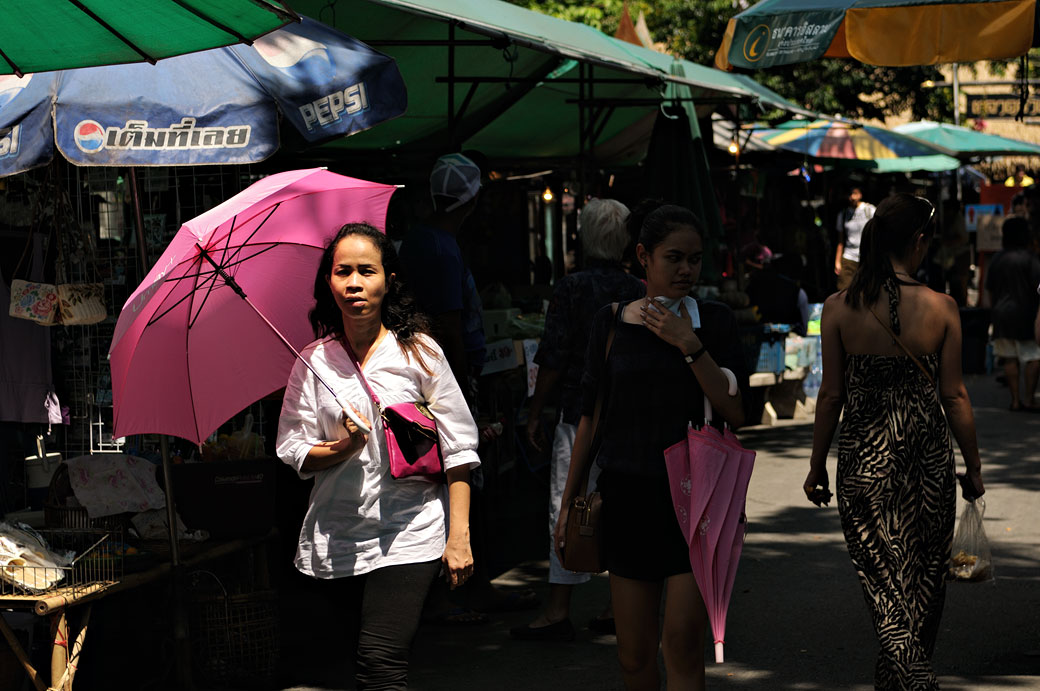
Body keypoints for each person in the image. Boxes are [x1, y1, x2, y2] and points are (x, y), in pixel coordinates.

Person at [276, 223, 479, 689]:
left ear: (388, 279)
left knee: (381, 662)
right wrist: (344, 446)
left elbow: (460, 447)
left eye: (366, 271)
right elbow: (293, 451)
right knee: (353, 664)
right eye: (342, 271)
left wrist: (459, 535)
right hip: (338, 536)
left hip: (410, 529)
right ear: (328, 282)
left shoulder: (419, 352)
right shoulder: (312, 362)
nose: (354, 283)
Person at [556, 204, 748, 690]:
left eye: (695, 259)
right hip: (628, 500)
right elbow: (590, 415)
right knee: (633, 655)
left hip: (698, 504)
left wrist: (690, 343)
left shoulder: (716, 322)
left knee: (682, 645)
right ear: (643, 256)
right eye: (674, 258)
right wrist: (567, 502)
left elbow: (735, 411)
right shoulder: (611, 322)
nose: (686, 269)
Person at [804, 194, 985, 689]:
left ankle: (901, 681)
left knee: (881, 582)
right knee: (922, 586)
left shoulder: (839, 308)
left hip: (864, 460)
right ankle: (920, 679)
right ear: (920, 241)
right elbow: (955, 395)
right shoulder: (944, 308)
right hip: (927, 462)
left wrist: (817, 464)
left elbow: (831, 394)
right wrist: (974, 466)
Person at [511, 198, 645, 642]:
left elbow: (552, 356)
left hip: (577, 410)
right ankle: (615, 606)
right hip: (628, 414)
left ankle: (558, 608)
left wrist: (534, 413)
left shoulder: (571, 288)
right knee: (621, 505)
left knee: (566, 505)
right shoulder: (638, 287)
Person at [983, 216, 1040, 411]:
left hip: (1002, 313)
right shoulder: (1031, 258)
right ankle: (1029, 398)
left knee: (1009, 357)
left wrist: (993, 310)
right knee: (1033, 355)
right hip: (1027, 314)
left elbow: (989, 289)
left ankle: (1015, 400)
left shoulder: (998, 258)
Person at [834, 186, 876, 291]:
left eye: (855, 193)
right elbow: (841, 240)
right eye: (850, 194)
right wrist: (837, 261)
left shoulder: (869, 210)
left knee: (867, 290)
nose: (852, 197)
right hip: (849, 257)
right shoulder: (843, 214)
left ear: (860, 195)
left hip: (866, 257)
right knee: (844, 291)